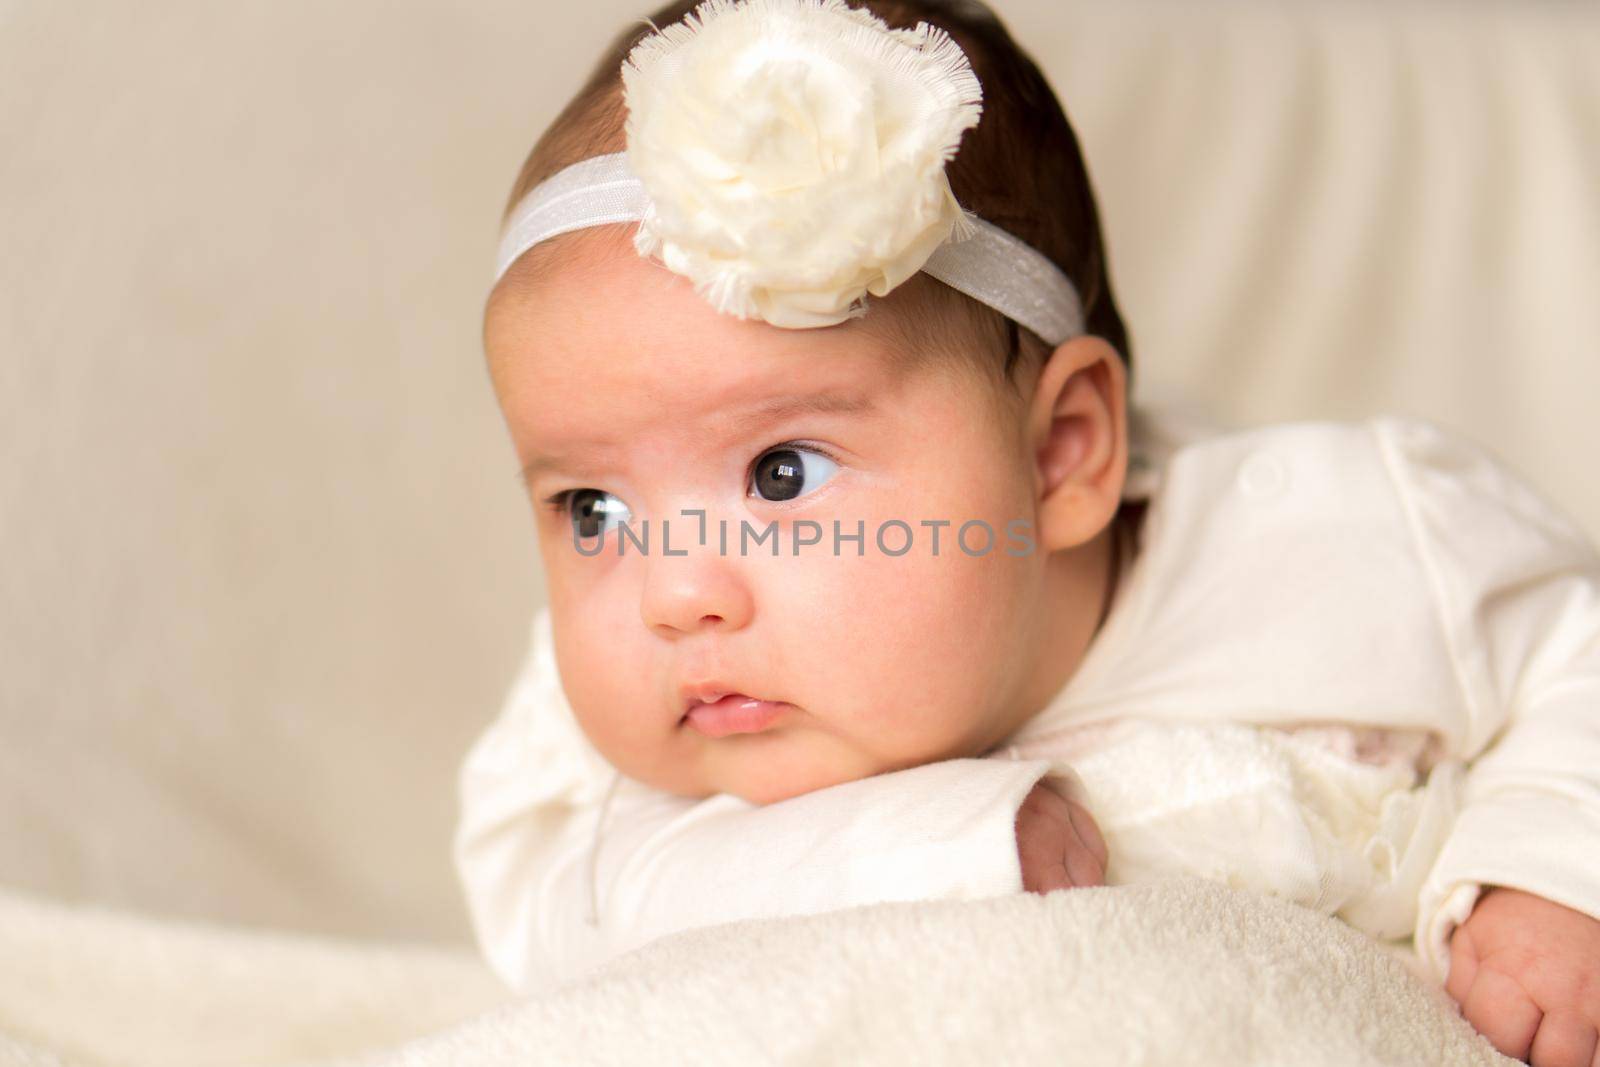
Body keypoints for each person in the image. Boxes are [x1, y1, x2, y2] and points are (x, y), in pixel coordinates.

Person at [455, 1, 1600, 1061]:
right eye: (590, 507)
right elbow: (559, 913)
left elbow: (1575, 656)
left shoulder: (1353, 540)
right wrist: (933, 842)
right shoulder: (598, 748)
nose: (670, 593)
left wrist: (1549, 866)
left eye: (781, 471)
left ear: (1060, 453)